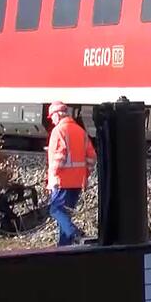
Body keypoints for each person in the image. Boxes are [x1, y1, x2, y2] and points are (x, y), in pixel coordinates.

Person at [46, 101, 96, 246]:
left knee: (55, 210)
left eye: (52, 116)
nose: (52, 120)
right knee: (65, 215)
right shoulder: (80, 130)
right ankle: (63, 249)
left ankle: (76, 234)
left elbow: (59, 156)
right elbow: (92, 157)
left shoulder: (59, 131)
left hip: (62, 182)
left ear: (58, 114)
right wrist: (85, 174)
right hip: (77, 182)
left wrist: (52, 177)